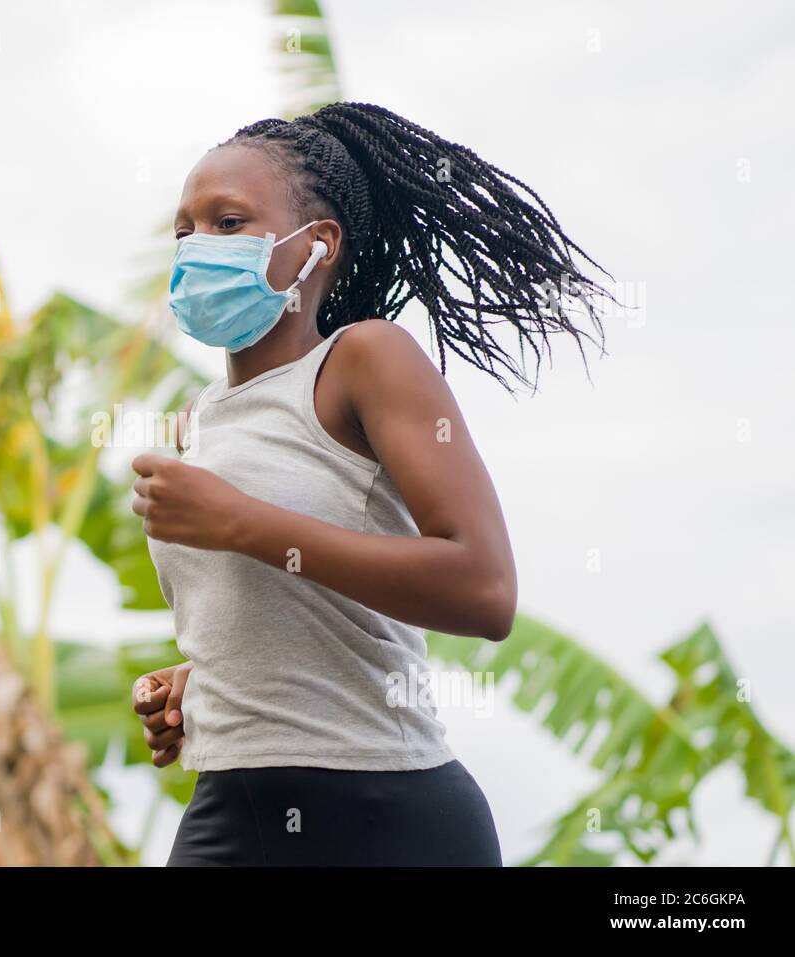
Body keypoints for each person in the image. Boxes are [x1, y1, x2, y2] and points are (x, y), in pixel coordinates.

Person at [129, 102, 611, 866]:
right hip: (228, 810)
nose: (195, 246)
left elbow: (484, 590)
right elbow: (305, 607)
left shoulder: (365, 360)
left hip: (385, 816)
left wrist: (237, 521)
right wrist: (204, 682)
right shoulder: (201, 422)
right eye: (184, 228)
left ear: (316, 246)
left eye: (228, 223)